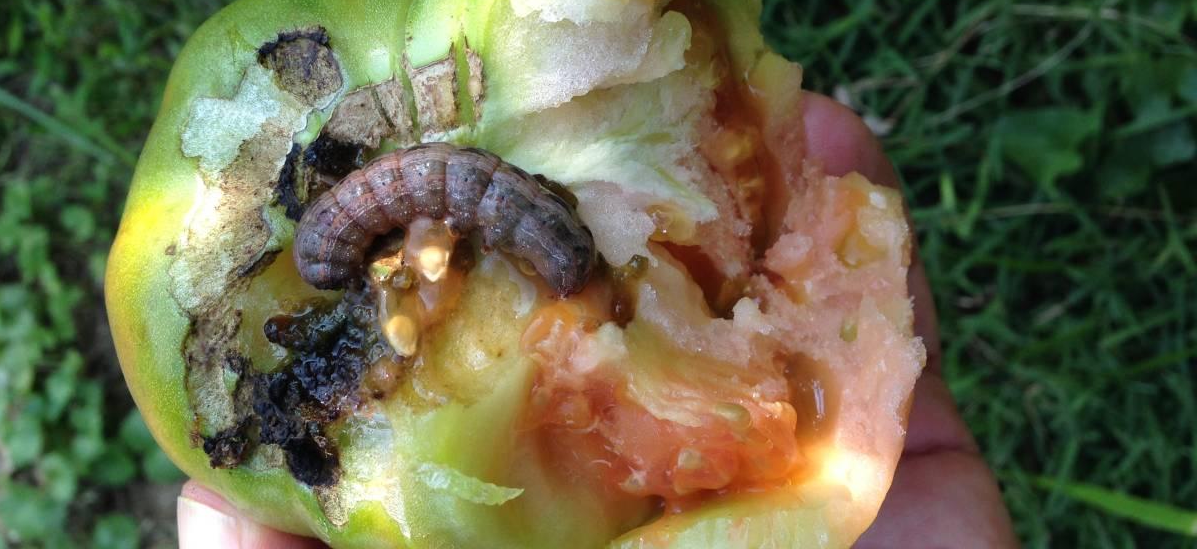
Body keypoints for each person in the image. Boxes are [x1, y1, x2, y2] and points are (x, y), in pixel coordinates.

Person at [176, 94, 1019, 548]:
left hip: (519, 217)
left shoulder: (398, 215)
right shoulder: (397, 205)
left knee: (537, 237)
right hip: (496, 203)